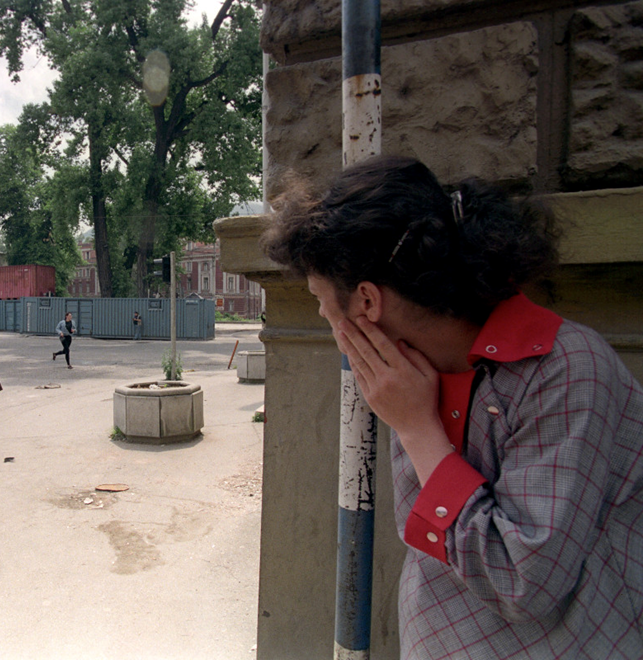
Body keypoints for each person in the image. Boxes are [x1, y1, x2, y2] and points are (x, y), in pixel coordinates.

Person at [262, 155, 643, 658]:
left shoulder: (567, 369)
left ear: (367, 302)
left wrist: (418, 431)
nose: (320, 312)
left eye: (319, 296)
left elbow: (522, 581)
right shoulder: (412, 374)